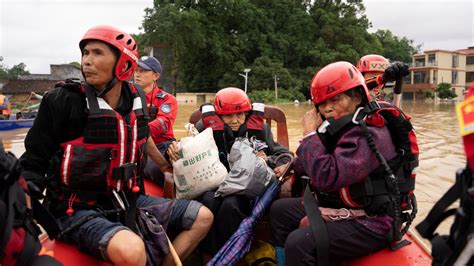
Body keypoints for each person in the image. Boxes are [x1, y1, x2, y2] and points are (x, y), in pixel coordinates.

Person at [20, 25, 212, 266]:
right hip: (74, 208)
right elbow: (33, 162)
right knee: (132, 250)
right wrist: (24, 203)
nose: (87, 61)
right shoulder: (63, 101)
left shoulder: (137, 97)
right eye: (86, 53)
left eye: (97, 53)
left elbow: (142, 136)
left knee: (203, 217)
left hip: (127, 199)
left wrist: (164, 166)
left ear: (123, 63)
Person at [270, 62, 405, 265]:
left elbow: (327, 177)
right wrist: (289, 168)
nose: (328, 109)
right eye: (323, 104)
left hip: (372, 221)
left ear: (357, 97)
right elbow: (313, 159)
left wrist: (309, 134)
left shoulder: (370, 133)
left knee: (299, 243)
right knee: (280, 211)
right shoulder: (343, 126)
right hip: (343, 207)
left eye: (336, 100)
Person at [167, 87, 291, 255]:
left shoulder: (260, 129)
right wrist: (172, 150)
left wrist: (271, 161)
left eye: (240, 115)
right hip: (213, 186)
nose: (235, 120)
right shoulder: (205, 127)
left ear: (247, 114)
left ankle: (228, 255)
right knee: (208, 201)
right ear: (218, 116)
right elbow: (187, 152)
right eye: (228, 116)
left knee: (231, 205)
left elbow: (282, 153)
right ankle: (211, 254)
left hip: (244, 190)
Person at [134, 56, 178, 187]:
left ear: (156, 75)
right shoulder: (127, 98)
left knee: (166, 167)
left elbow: (163, 123)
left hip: (162, 146)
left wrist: (137, 131)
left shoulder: (167, 99)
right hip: (137, 148)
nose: (137, 74)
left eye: (143, 70)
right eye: (136, 70)